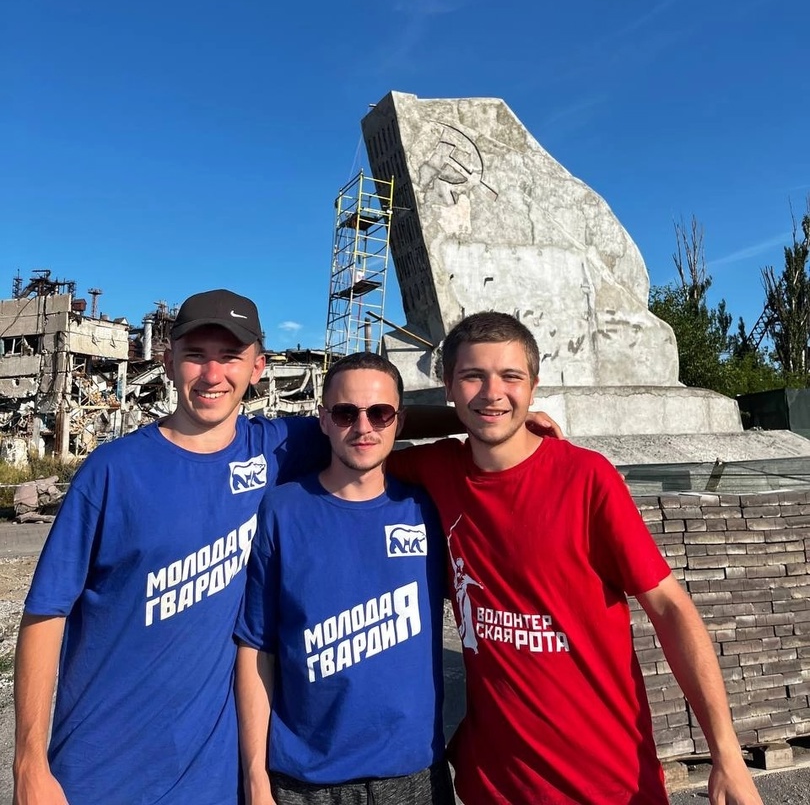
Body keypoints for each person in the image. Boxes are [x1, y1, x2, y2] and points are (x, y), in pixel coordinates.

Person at [386, 311, 762, 805]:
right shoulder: (437, 468)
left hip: (607, 781)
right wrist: (473, 414)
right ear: (448, 387)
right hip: (493, 784)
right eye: (473, 376)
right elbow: (366, 424)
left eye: (511, 377)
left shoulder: (586, 478)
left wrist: (727, 755)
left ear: (534, 387)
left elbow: (670, 606)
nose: (493, 391)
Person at [13, 290, 330, 805]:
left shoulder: (277, 448)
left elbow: (371, 426)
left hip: (213, 781)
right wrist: (28, 762)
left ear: (258, 368)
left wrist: (470, 422)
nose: (212, 374)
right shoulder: (112, 471)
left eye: (230, 357)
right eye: (195, 355)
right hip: (97, 774)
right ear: (167, 361)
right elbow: (46, 613)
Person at [234, 352, 454, 805]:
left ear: (399, 421)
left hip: (414, 774)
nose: (363, 427)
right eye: (345, 413)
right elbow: (257, 648)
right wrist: (255, 777)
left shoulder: (427, 509)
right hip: (306, 780)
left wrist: (513, 422)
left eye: (380, 413)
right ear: (323, 420)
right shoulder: (281, 509)